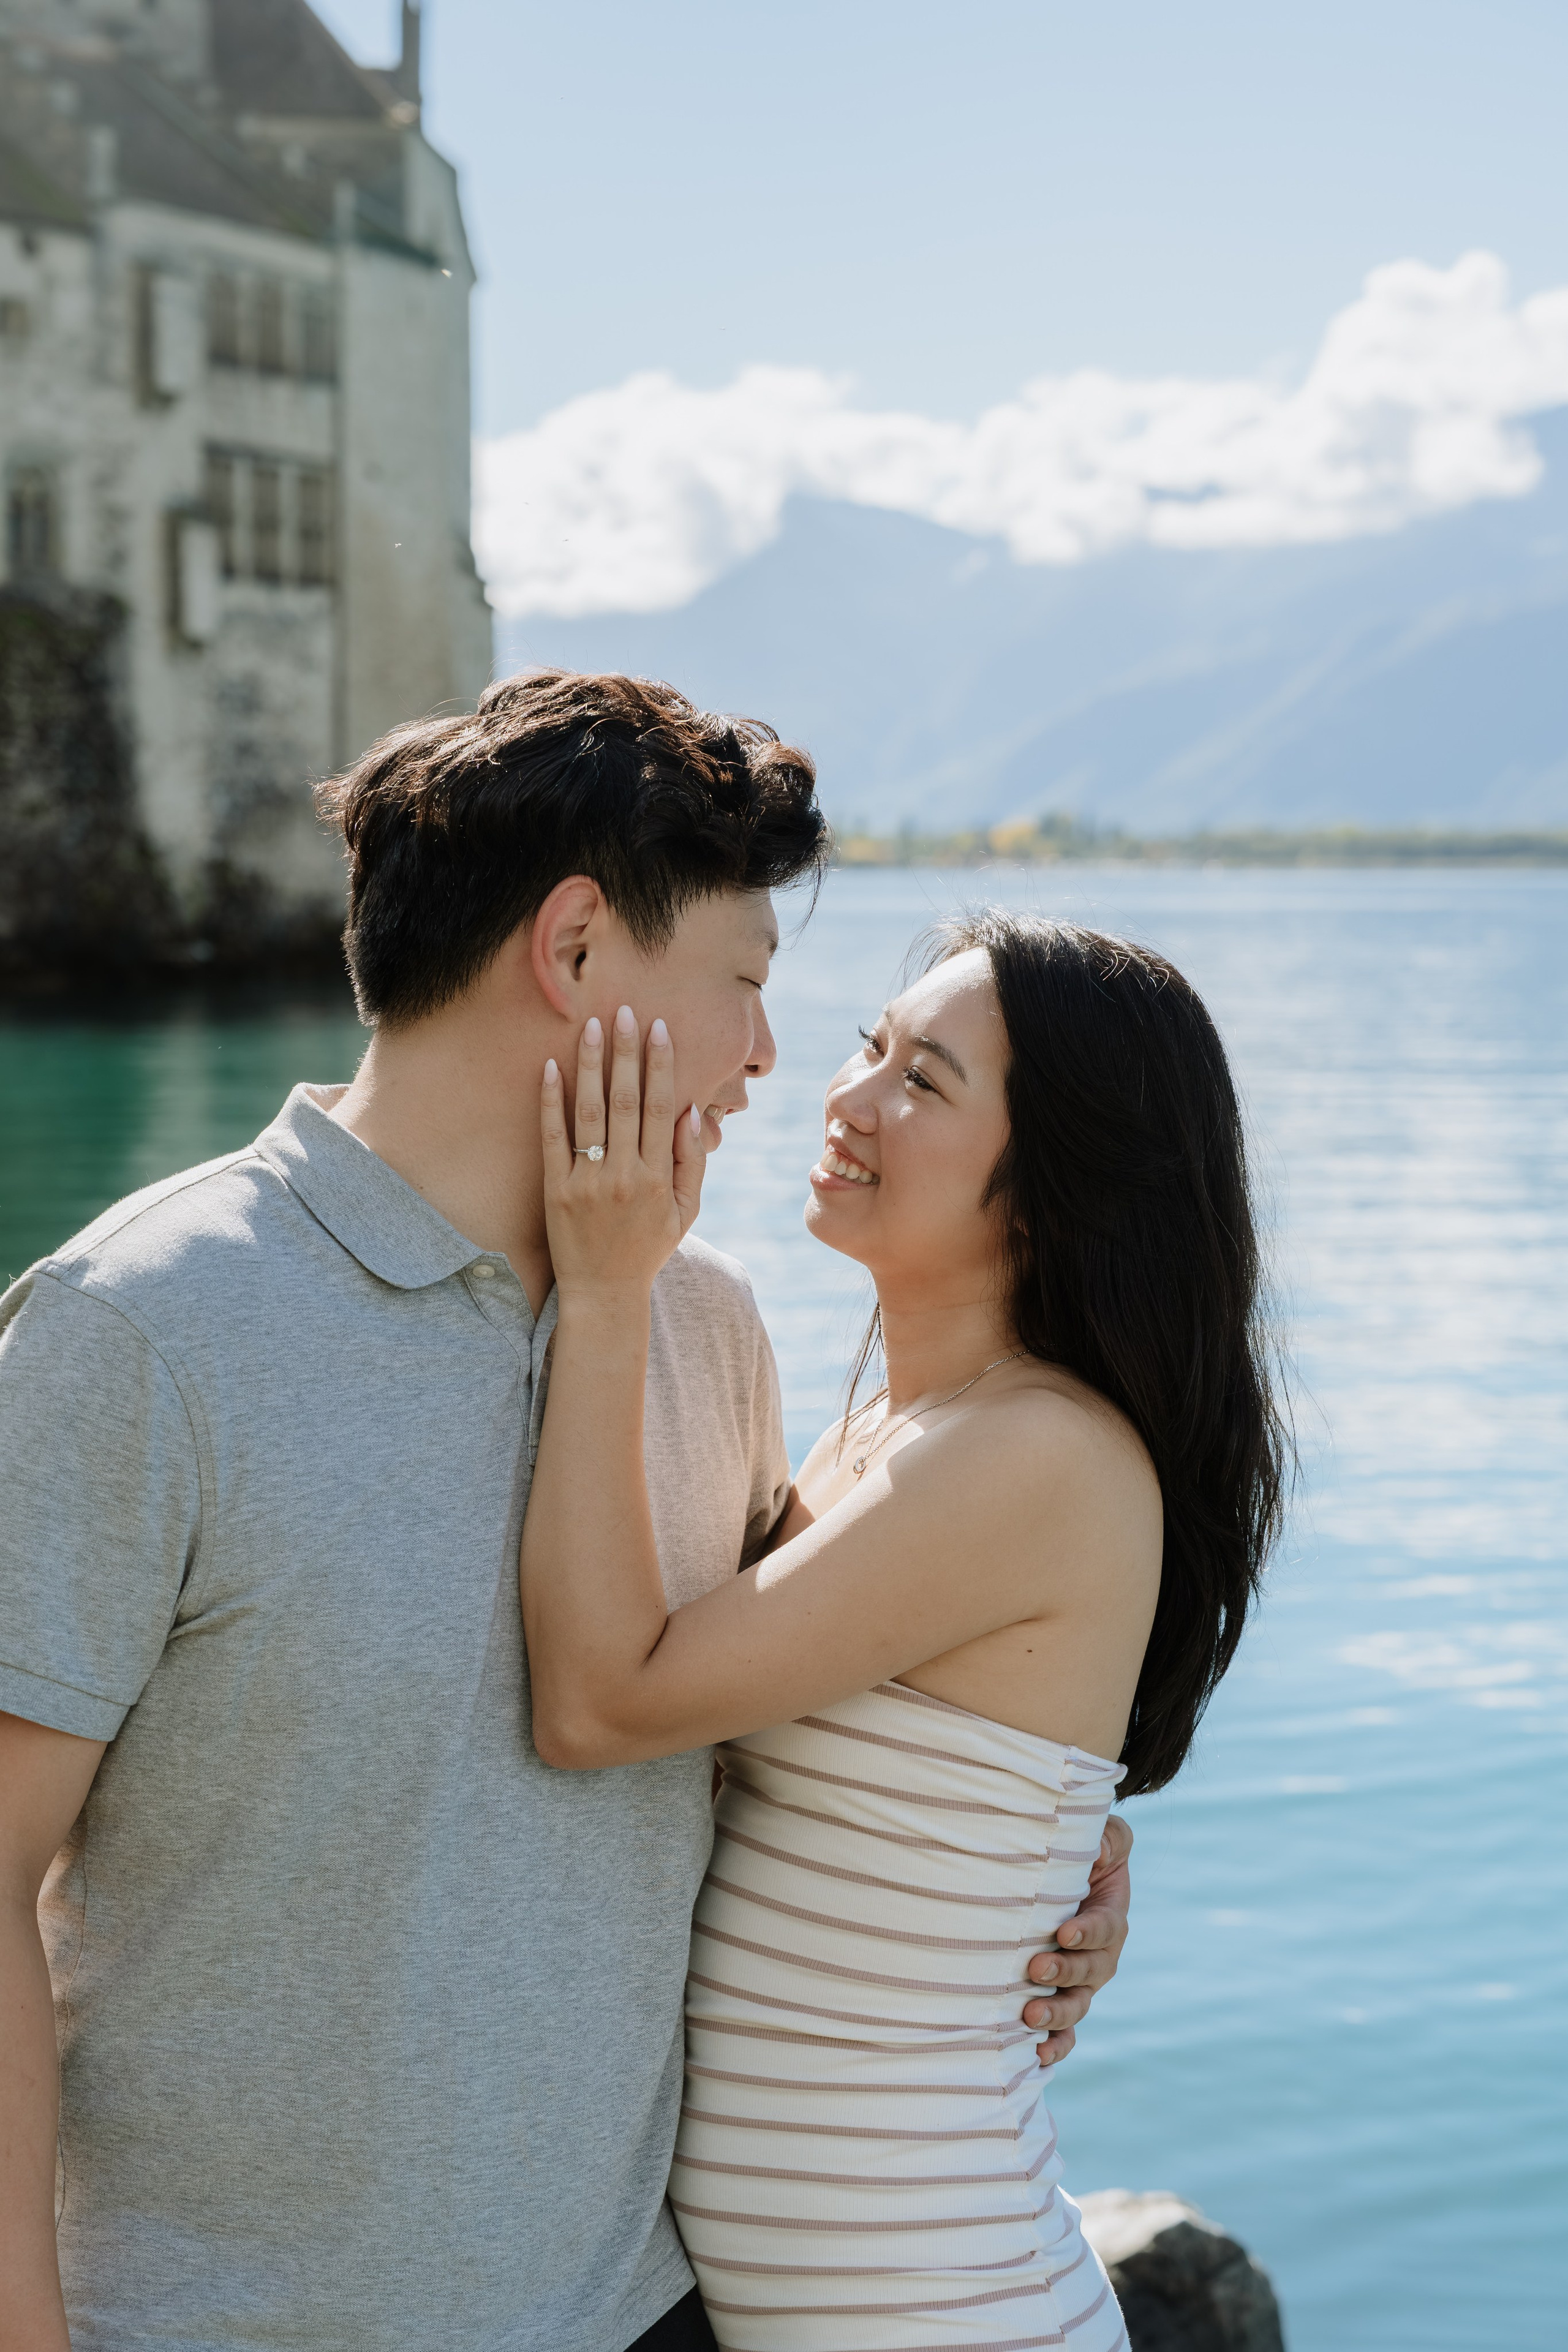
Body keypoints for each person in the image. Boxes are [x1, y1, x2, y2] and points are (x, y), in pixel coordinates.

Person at [0, 673, 1131, 2352]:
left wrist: (1030, 1864)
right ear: (578, 947)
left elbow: (773, 1725)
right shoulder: (144, 1330)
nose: (769, 1057)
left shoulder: (704, 1324)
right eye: (747, 982)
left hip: (639, 2314)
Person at [519, 908, 1291, 2351]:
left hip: (952, 2310)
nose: (848, 1096)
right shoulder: (887, 1436)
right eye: (869, 1047)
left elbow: (597, 1705)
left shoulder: (1035, 1455)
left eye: (922, 1082)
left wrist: (608, 1287)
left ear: (1052, 1189)